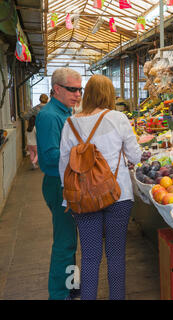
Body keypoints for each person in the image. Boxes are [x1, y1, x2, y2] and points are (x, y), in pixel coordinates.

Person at [59, 74, 142, 300]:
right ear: (108, 94)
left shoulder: (70, 122)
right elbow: (135, 155)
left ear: (87, 94)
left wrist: (71, 197)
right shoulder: (118, 118)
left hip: (83, 198)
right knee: (116, 255)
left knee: (89, 256)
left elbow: (64, 165)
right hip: (118, 194)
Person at [36, 67, 82, 300]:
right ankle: (59, 294)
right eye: (72, 89)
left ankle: (71, 284)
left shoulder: (65, 112)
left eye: (79, 89)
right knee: (64, 243)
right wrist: (83, 154)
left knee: (71, 241)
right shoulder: (49, 116)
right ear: (56, 89)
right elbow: (51, 155)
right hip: (58, 184)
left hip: (67, 182)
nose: (78, 94)